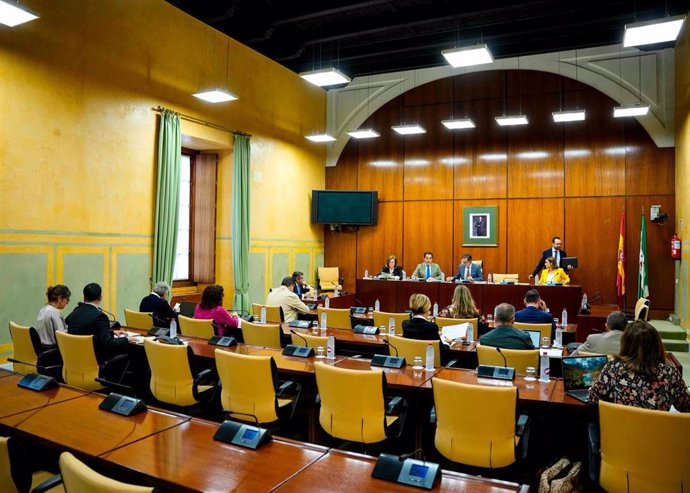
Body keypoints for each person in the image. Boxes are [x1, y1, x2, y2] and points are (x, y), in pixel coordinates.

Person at [588, 320, 690, 412]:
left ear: (625, 344)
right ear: (657, 344)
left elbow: (592, 399)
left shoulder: (613, 368)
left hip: (620, 431)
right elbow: (686, 406)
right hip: (658, 432)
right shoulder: (671, 373)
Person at [66, 283, 131, 361]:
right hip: (94, 361)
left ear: (84, 297)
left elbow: (85, 329)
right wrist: (127, 339)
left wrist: (111, 332)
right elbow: (108, 344)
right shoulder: (100, 317)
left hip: (74, 359)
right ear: (101, 297)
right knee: (131, 353)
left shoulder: (75, 311)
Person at [402, 293, 458, 364]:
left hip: (411, 362)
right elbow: (442, 353)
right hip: (430, 364)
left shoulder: (405, 324)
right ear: (427, 308)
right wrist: (447, 343)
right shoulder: (431, 327)